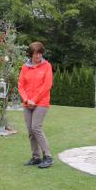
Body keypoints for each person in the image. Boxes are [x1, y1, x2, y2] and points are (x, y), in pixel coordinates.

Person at [17, 41, 54, 169]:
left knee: (36, 127)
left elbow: (47, 86)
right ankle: (36, 157)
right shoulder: (25, 67)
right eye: (35, 54)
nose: (37, 56)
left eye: (39, 53)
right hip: (28, 103)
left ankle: (48, 156)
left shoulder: (47, 66)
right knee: (30, 131)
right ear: (31, 54)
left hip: (41, 102)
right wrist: (27, 100)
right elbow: (21, 85)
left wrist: (35, 100)